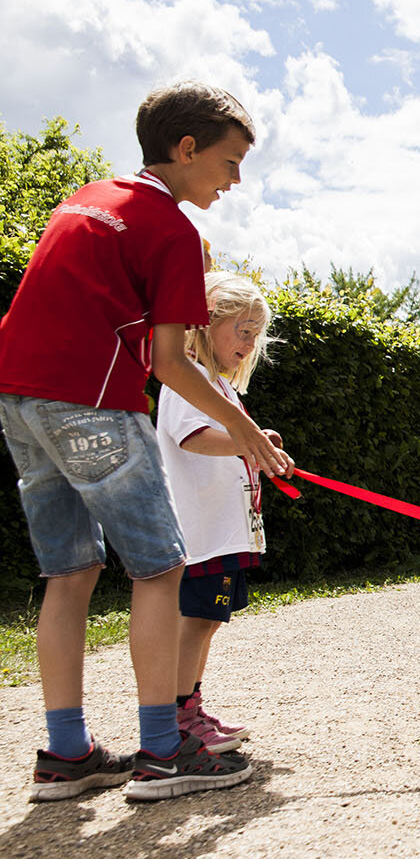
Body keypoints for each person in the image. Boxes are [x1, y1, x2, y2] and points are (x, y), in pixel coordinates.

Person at [0, 81, 291, 802]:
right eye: (228, 162)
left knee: (69, 574)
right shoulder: (171, 230)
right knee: (160, 571)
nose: (235, 180)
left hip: (18, 398)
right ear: (185, 148)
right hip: (93, 401)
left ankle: (66, 753)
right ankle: (164, 750)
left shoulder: (85, 200)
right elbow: (169, 362)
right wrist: (249, 433)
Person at [158, 271, 292, 753]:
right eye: (242, 329)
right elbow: (192, 437)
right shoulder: (188, 378)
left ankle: (189, 707)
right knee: (194, 621)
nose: (250, 342)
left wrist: (258, 446)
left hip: (224, 531)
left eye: (255, 334)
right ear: (206, 323)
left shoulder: (219, 387)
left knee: (207, 621)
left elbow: (232, 442)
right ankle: (174, 716)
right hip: (201, 532)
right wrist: (247, 444)